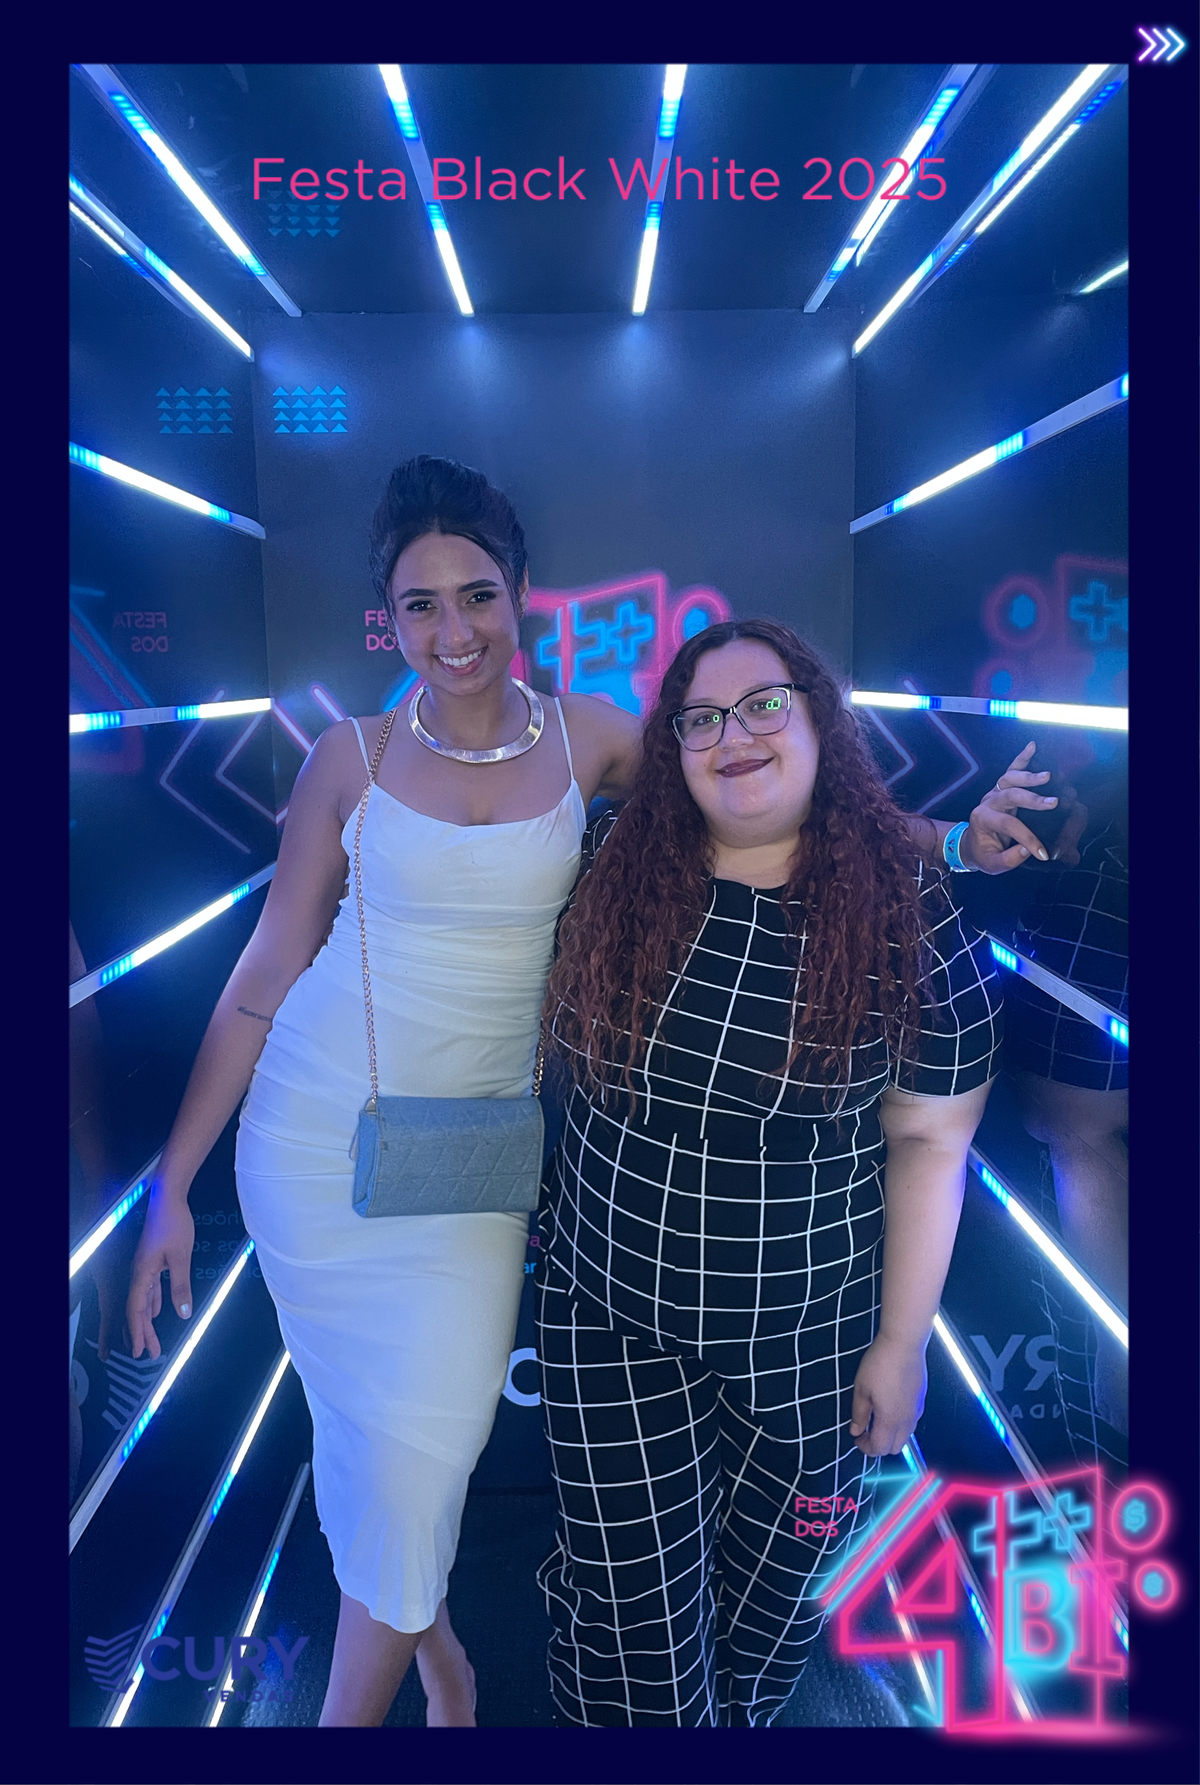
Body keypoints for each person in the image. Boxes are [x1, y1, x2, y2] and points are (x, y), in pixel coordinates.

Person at [122, 459, 1054, 1729]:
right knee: (368, 1442)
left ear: (520, 594)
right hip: (313, 1135)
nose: (454, 632)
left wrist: (948, 844)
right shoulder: (349, 756)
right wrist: (175, 1180)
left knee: (426, 1444)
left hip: (478, 1161)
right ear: (387, 620)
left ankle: (434, 1660)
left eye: (477, 595)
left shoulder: (594, 737)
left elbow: (777, 800)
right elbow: (264, 972)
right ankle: (414, 1681)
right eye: (418, 606)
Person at [535, 618, 1007, 1727]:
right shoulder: (610, 865)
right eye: (699, 719)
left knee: (766, 1619)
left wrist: (900, 1345)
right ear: (672, 749)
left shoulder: (906, 906)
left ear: (819, 722)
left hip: (809, 1338)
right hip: (613, 1311)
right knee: (641, 1637)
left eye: (762, 706)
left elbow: (932, 1141)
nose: (731, 737)